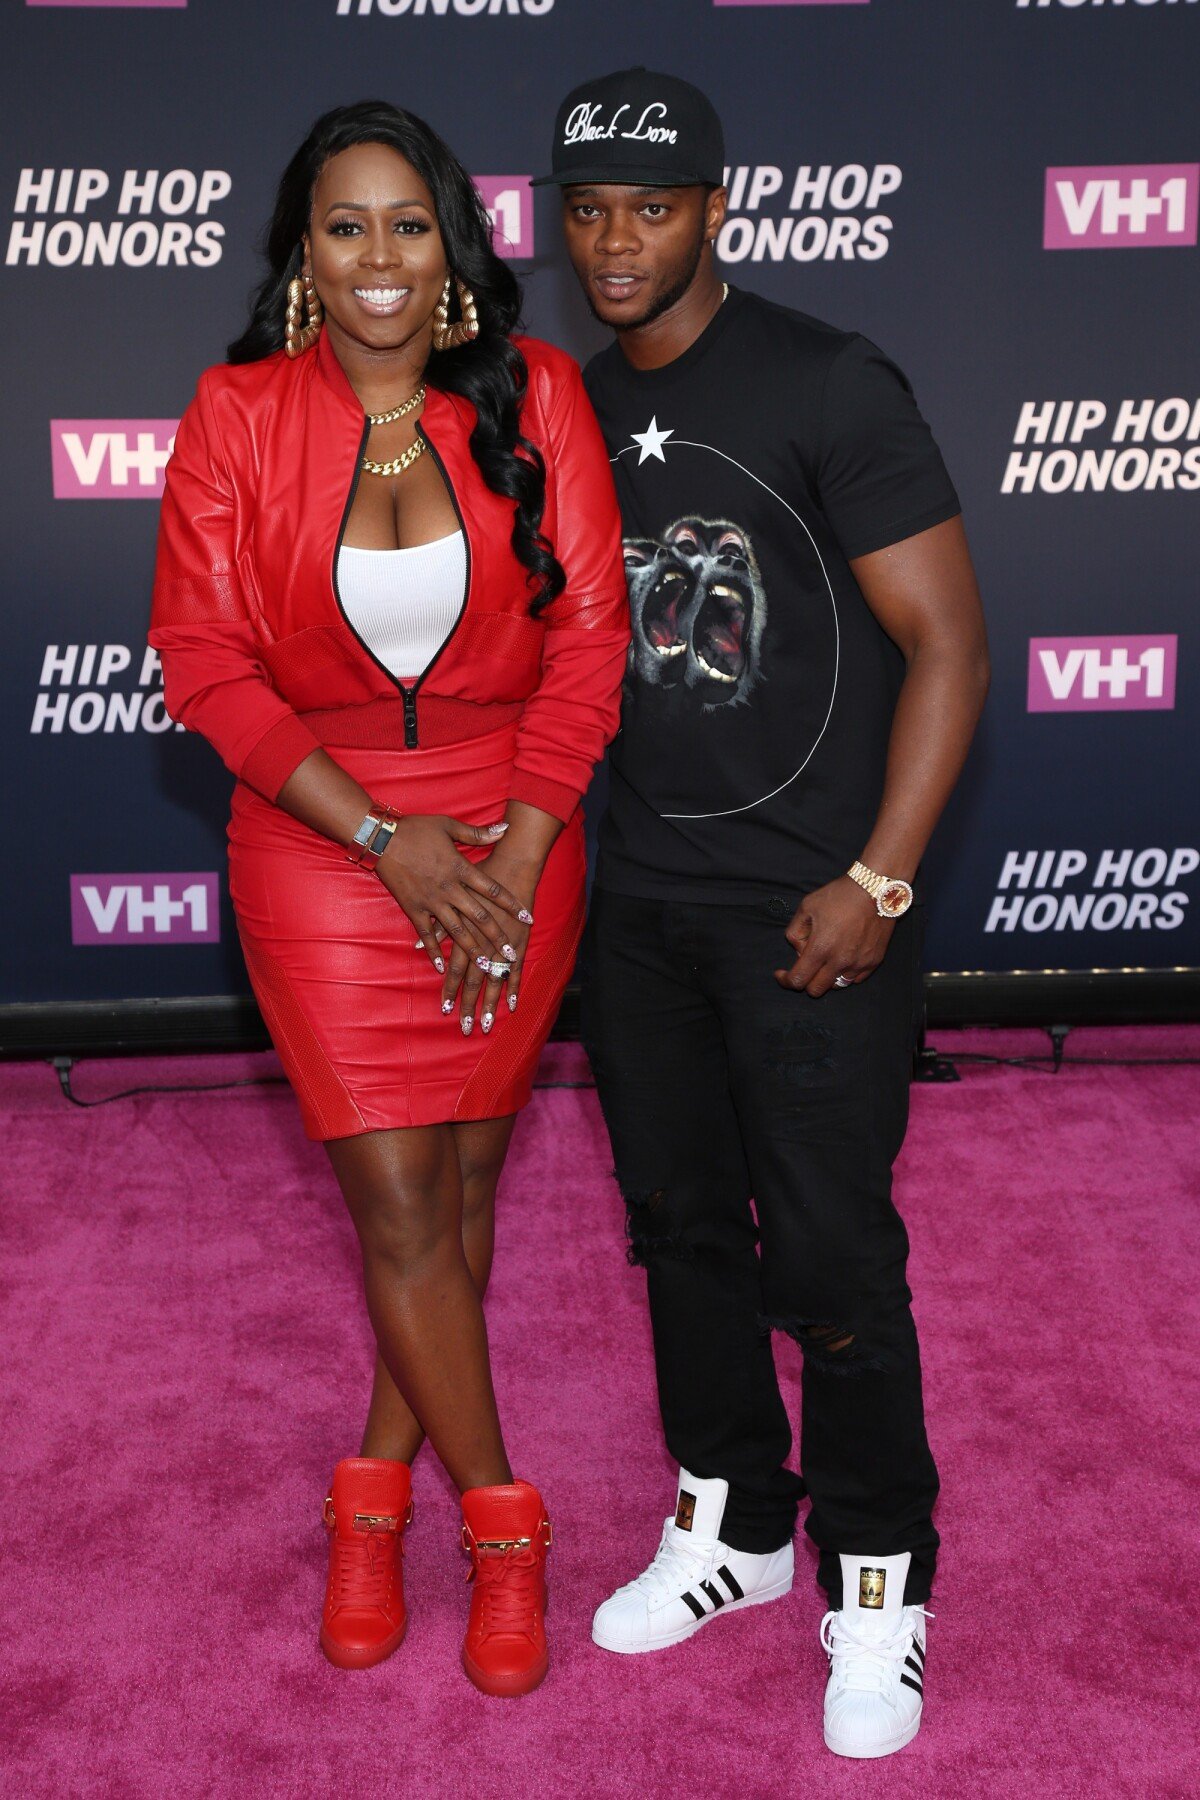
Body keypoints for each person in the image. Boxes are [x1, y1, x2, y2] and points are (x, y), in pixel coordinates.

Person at [150, 100, 628, 1698]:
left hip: (514, 848)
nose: (378, 259)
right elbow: (205, 665)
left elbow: (590, 649)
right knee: (404, 1206)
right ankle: (503, 1526)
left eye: (409, 225)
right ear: (303, 254)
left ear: (454, 249)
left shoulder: (539, 396)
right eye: (345, 226)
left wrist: (519, 842)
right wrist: (387, 842)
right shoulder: (235, 417)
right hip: (323, 850)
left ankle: (371, 1489)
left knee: (470, 1194)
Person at [537, 68, 988, 1757]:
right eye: (589, 209)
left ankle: (881, 1581)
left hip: (814, 916)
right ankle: (733, 1519)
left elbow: (950, 643)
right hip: (637, 910)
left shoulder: (825, 376)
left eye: (651, 206)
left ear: (714, 207)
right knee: (678, 1236)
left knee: (834, 1258)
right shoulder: (568, 405)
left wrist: (878, 876)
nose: (616, 239)